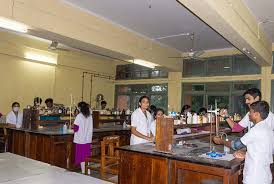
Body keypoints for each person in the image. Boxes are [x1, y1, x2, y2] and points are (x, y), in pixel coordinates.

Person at [214, 101, 273, 184]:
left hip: (255, 177)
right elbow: (262, 149)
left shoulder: (256, 130)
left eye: (251, 112)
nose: (249, 114)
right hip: (265, 175)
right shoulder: (268, 129)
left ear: (257, 114)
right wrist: (246, 152)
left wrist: (220, 141)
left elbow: (236, 145)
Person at [73, 101, 93, 174]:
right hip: (87, 139)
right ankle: (88, 170)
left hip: (81, 139)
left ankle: (84, 171)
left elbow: (75, 128)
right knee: (86, 155)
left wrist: (72, 127)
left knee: (81, 156)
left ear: (80, 108)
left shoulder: (79, 116)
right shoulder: (89, 116)